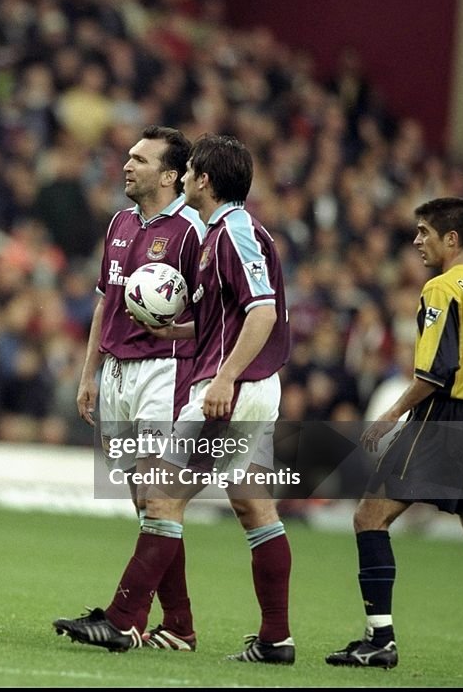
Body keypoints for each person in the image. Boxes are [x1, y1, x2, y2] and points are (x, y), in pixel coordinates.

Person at [55, 134, 295, 664]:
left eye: (189, 173)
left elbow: (263, 313)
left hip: (231, 387)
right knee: (252, 505)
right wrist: (173, 332)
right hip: (236, 382)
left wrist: (226, 379)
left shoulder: (232, 232)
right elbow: (222, 321)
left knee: (160, 496)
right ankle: (275, 639)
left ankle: (124, 621)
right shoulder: (218, 233)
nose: (185, 179)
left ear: (200, 179)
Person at [326, 197, 463, 669]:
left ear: (452, 238)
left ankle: (379, 638)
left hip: (443, 419)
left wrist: (391, 415)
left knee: (369, 517)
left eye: (424, 232)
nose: (416, 241)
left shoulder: (442, 288)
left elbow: (435, 372)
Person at [75, 125, 205, 651]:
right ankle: (178, 625)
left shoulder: (194, 231)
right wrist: (89, 372)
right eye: (128, 156)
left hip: (165, 370)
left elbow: (216, 313)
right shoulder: (121, 222)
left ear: (171, 175)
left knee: (158, 499)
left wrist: (175, 331)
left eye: (140, 160)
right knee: (144, 502)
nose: (127, 165)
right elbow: (106, 300)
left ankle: (125, 618)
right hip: (117, 373)